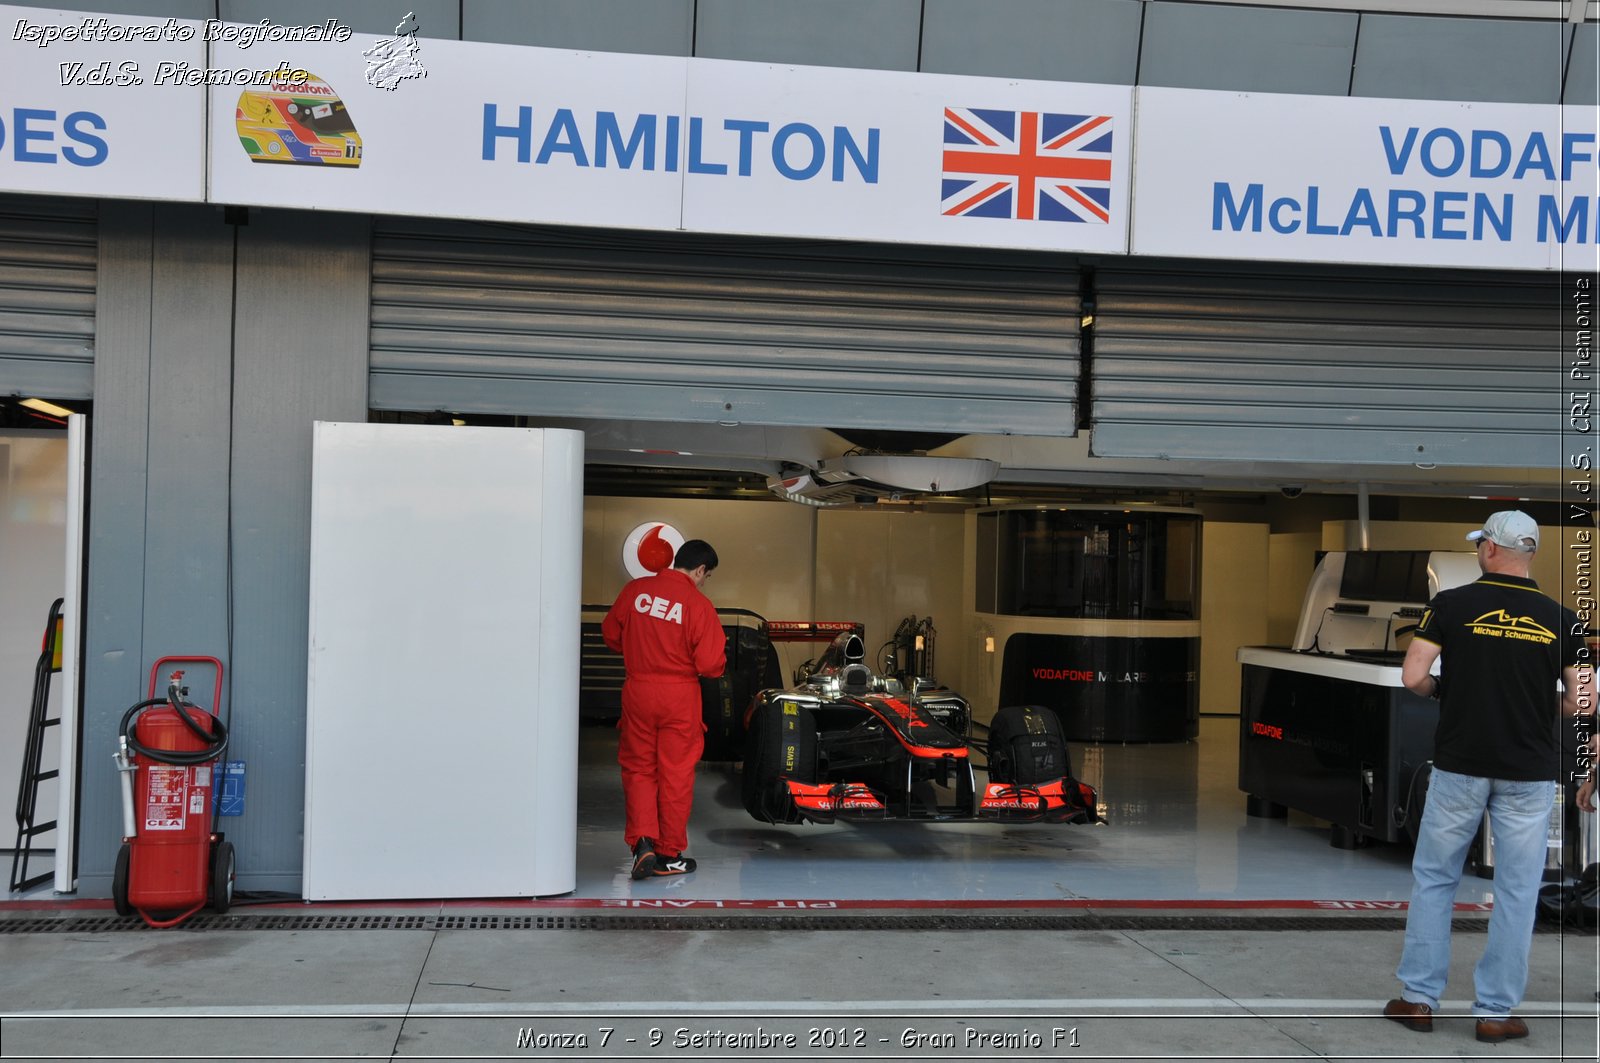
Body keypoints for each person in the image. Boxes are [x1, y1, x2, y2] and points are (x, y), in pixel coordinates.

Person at [1384, 511, 1594, 1043]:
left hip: (1460, 765)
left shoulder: (1450, 604)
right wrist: (1550, 710)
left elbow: (1412, 676)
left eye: (1481, 544)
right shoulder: (1562, 618)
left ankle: (1418, 1001)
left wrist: (1441, 692)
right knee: (1519, 890)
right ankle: (1496, 1012)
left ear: (1491, 551)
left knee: (1436, 879)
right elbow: (1584, 697)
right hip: (1528, 772)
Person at [601, 539, 725, 880]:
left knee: (639, 769)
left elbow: (611, 634)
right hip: (679, 697)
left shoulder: (636, 591)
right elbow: (711, 664)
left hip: (638, 690)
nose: (703, 582)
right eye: (706, 576)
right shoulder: (699, 606)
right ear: (700, 570)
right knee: (676, 774)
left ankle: (643, 842)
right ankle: (669, 854)